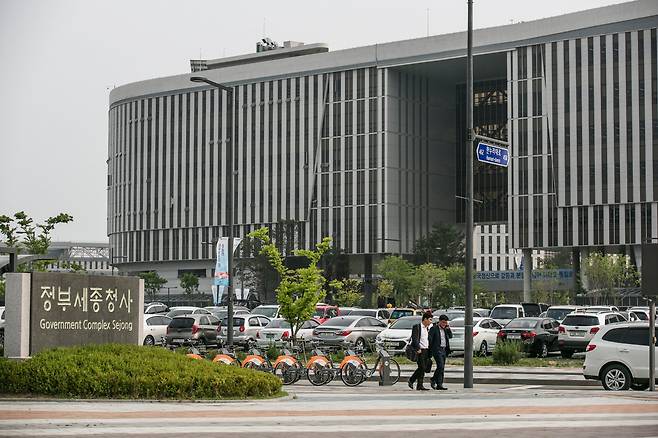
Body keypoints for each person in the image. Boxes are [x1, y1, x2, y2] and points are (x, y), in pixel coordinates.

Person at [408, 311, 433, 391]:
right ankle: (412, 380)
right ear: (425, 319)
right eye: (430, 319)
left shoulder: (427, 328)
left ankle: (419, 385)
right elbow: (415, 339)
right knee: (422, 367)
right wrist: (418, 348)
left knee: (423, 368)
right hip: (420, 350)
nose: (430, 321)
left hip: (426, 350)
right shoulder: (417, 327)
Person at [429, 314, 452, 390]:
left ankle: (439, 384)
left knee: (442, 368)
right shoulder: (434, 329)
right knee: (440, 366)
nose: (444, 324)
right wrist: (430, 350)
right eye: (442, 322)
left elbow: (451, 336)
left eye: (445, 323)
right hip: (437, 350)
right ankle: (433, 379)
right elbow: (430, 339)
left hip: (444, 350)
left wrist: (448, 328)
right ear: (439, 321)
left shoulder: (445, 329)